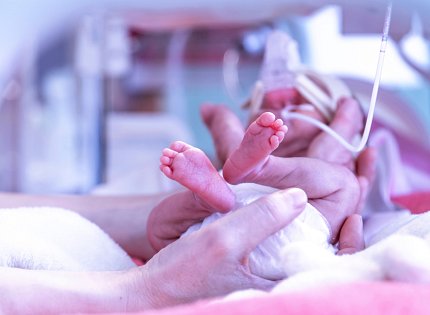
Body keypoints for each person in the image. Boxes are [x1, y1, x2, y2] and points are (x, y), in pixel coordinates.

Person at [157, 111, 362, 279]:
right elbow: (353, 223)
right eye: (266, 103)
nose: (284, 106)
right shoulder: (239, 153)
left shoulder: (334, 155)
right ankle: (220, 191)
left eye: (303, 104)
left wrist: (217, 115)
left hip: (217, 235)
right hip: (285, 247)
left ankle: (248, 176)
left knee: (158, 231)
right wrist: (350, 250)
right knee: (347, 186)